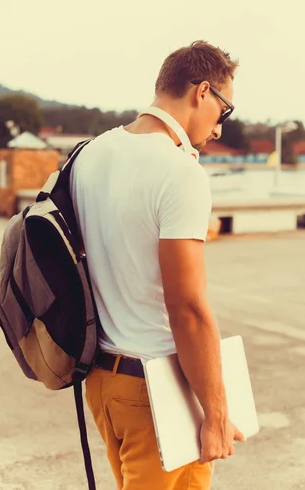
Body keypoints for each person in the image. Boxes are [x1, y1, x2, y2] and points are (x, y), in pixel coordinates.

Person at [70, 40, 246, 490]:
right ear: (202, 92)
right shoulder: (179, 172)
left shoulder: (90, 154)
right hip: (158, 390)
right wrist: (217, 412)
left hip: (106, 381)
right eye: (224, 112)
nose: (220, 129)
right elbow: (186, 308)